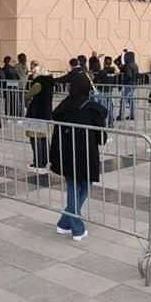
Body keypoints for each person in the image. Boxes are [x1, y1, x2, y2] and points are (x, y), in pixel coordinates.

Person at [49, 73, 107, 241]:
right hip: (86, 153)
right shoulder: (93, 108)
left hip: (67, 153)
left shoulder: (63, 106)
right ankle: (77, 228)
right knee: (84, 186)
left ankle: (64, 223)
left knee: (73, 185)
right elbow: (101, 137)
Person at [25, 69, 54, 173]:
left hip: (36, 114)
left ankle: (38, 162)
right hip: (46, 114)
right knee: (44, 138)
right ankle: (46, 160)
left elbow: (27, 95)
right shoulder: (49, 84)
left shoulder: (38, 84)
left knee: (35, 139)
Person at [94, 56, 117, 126]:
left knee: (103, 107)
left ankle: (104, 123)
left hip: (102, 90)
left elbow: (95, 80)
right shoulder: (113, 71)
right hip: (109, 90)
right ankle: (111, 122)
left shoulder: (102, 71)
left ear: (104, 62)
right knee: (110, 106)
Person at [117, 51, 139, 121]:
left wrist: (123, 82)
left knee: (123, 100)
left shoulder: (128, 65)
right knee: (130, 100)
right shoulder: (135, 65)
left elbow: (128, 75)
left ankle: (121, 115)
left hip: (128, 84)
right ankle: (132, 115)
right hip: (134, 83)